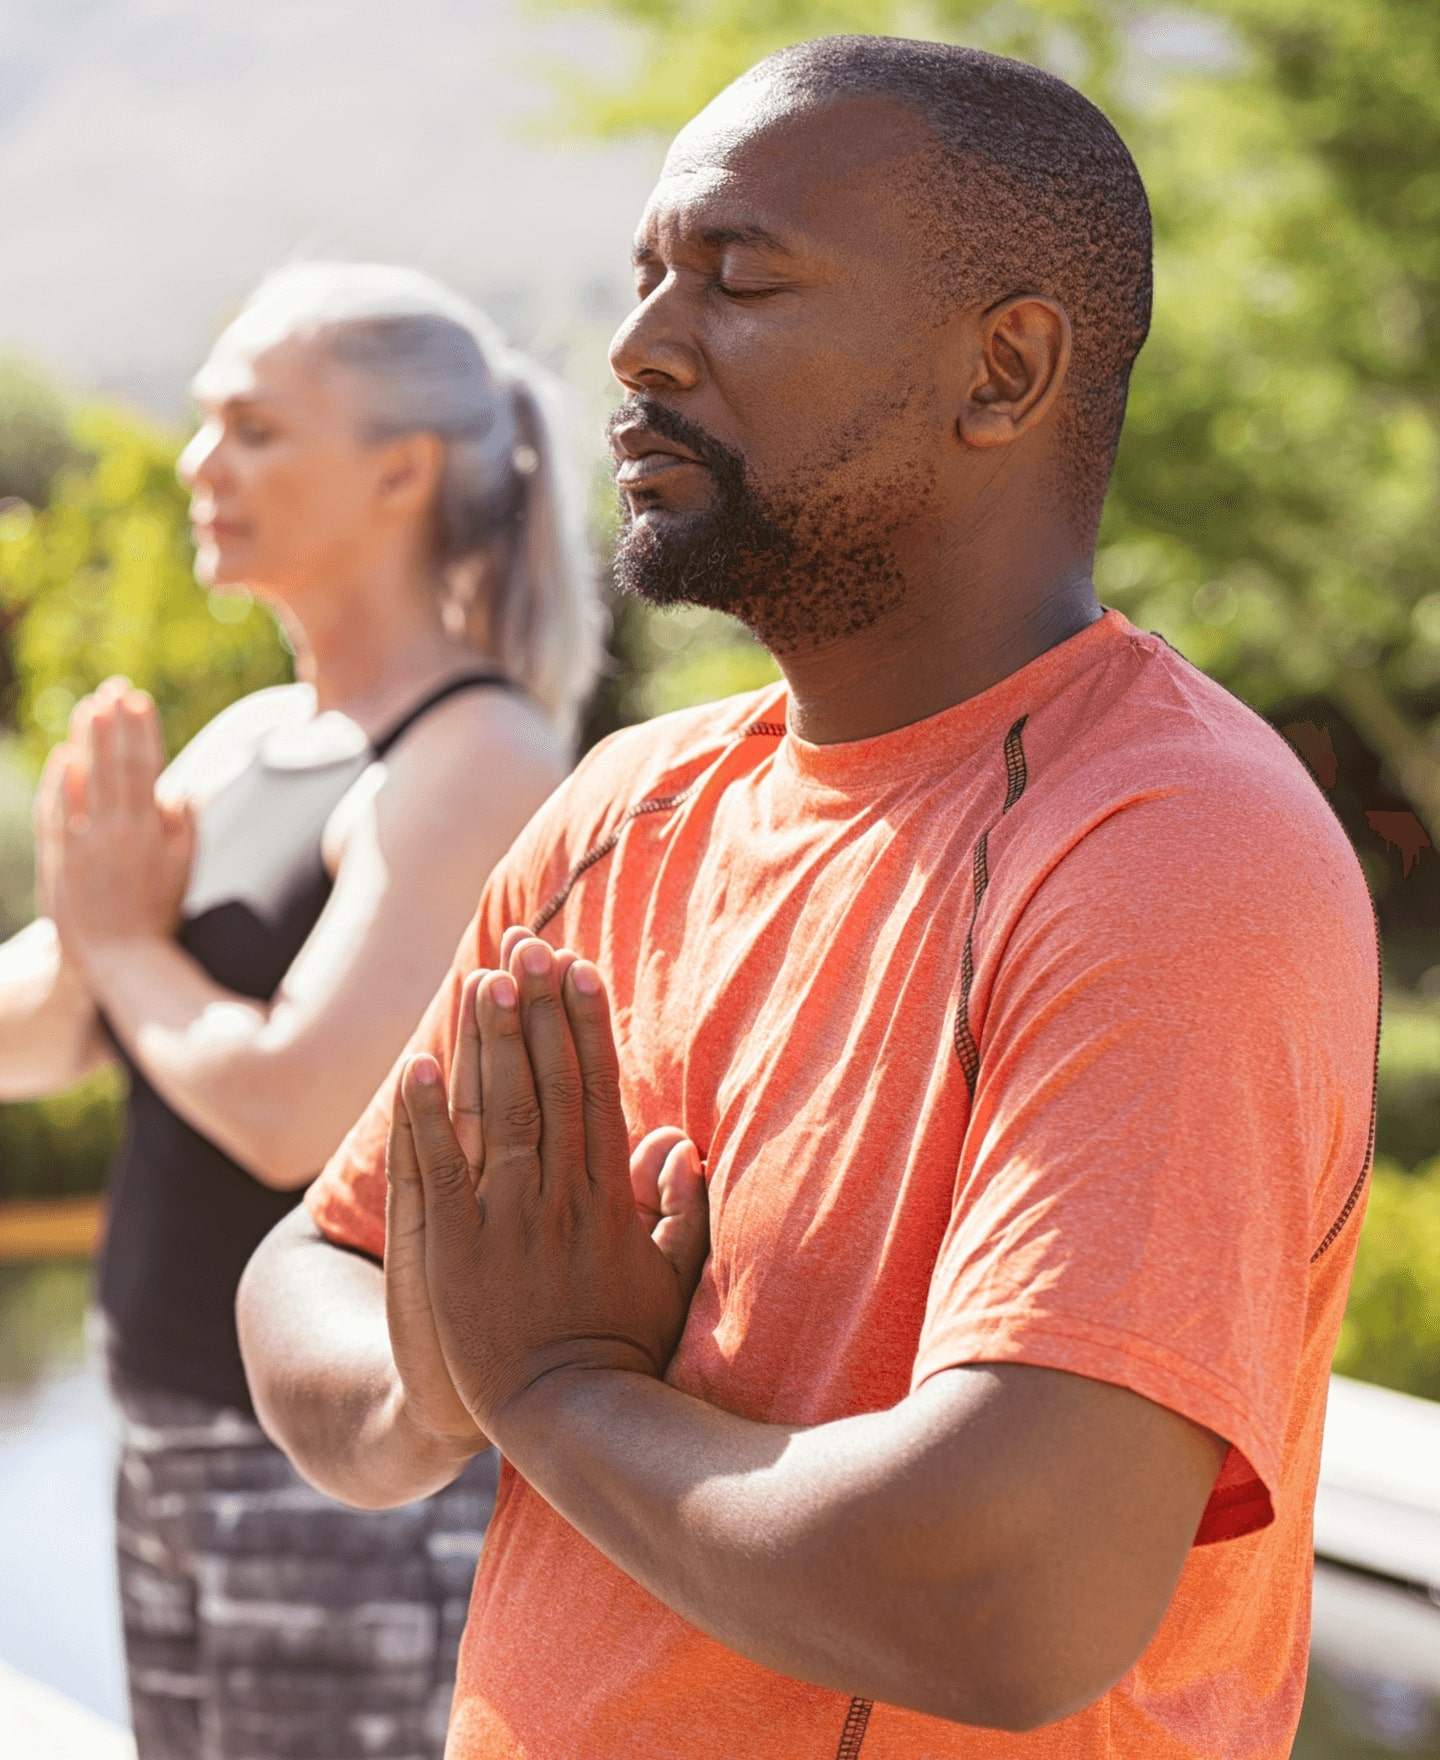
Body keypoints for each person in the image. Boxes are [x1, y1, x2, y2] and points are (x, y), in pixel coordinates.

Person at [239, 39, 1381, 1760]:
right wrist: (447, 1373)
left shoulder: (1165, 845)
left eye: (739, 278)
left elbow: (1016, 1595)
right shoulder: (630, 809)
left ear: (1002, 371)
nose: (638, 348)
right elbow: (307, 1276)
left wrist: (553, 1390)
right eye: (643, 279)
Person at [0, 261, 603, 1759]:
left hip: (341, 1481)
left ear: (402, 469)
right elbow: (46, 1026)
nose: (201, 464)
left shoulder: (476, 761)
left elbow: (290, 1114)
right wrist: (105, 949)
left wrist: (126, 945)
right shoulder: (257, 739)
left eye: (254, 429)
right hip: (179, 1444)